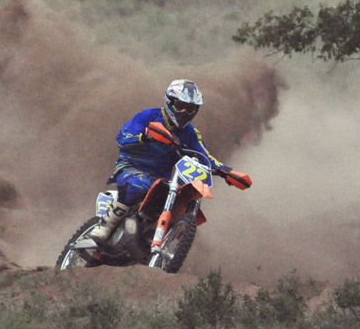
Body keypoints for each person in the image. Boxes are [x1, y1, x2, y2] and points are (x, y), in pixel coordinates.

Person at [91, 79, 252, 244]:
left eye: (190, 108)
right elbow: (122, 137)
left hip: (161, 179)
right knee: (138, 185)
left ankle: (152, 240)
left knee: (178, 203)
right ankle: (104, 227)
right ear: (169, 101)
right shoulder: (148, 116)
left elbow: (204, 156)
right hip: (132, 165)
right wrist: (145, 136)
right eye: (180, 106)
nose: (184, 112)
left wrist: (227, 172)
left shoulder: (191, 133)